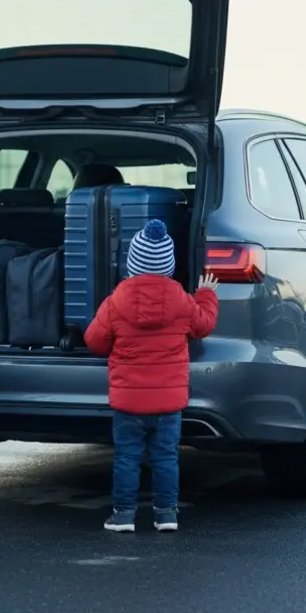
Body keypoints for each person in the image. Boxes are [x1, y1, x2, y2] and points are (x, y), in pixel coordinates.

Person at [84, 219, 219, 533]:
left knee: (127, 458)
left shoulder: (116, 301)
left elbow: (95, 341)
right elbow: (203, 325)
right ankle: (166, 515)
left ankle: (122, 516)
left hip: (128, 402)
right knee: (165, 457)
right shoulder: (182, 301)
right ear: (169, 265)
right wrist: (206, 295)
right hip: (168, 404)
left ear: (132, 263)